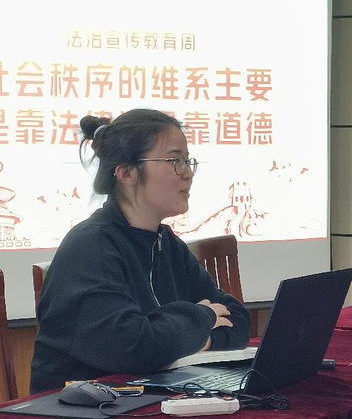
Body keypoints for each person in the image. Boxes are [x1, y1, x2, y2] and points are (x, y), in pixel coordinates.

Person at [30, 108, 251, 393]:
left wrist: (194, 338)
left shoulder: (165, 241)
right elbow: (134, 346)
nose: (187, 174)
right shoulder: (91, 246)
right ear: (126, 173)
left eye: (187, 161)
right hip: (85, 405)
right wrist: (203, 319)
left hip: (148, 396)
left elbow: (237, 319)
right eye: (174, 161)